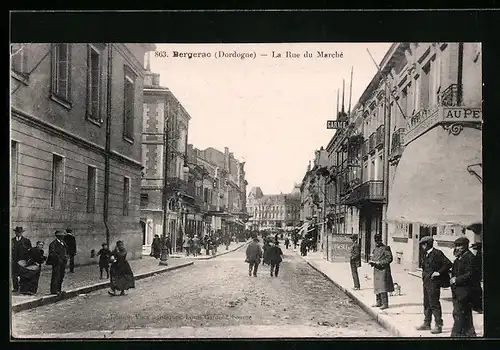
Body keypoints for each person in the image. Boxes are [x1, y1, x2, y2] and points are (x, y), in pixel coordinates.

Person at [416, 236, 452, 334]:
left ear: (426, 244)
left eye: (423, 244)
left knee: (434, 304)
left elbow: (448, 263)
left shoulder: (437, 253)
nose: (422, 246)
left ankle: (438, 325)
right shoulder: (426, 254)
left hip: (434, 282)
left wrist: (439, 272)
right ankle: (427, 323)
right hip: (426, 282)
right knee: (427, 303)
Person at [450, 236, 480, 337]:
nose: (457, 248)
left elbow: (471, 274)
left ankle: (455, 336)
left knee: (458, 314)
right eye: (456, 246)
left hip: (466, 291)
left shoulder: (470, 258)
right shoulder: (460, 258)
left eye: (459, 246)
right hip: (459, 291)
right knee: (465, 315)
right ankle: (470, 334)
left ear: (465, 246)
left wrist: (456, 280)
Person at [368, 233, 394, 310]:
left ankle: (385, 303)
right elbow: (374, 257)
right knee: (377, 286)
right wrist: (372, 262)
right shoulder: (375, 249)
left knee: (383, 286)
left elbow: (389, 259)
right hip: (376, 269)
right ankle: (378, 302)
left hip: (383, 270)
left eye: (378, 241)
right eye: (376, 241)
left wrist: (380, 263)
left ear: (381, 240)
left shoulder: (386, 248)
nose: (377, 242)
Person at [47, 231, 68, 295]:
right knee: (56, 276)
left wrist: (66, 257)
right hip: (56, 263)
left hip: (63, 262)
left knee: (61, 276)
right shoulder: (53, 244)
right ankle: (54, 290)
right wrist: (58, 259)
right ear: (58, 236)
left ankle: (59, 289)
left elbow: (66, 250)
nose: (63, 237)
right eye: (62, 236)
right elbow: (52, 253)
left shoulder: (63, 243)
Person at [11, 226, 32, 293]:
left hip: (23, 261)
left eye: (20, 232)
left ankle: (23, 288)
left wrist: (28, 260)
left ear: (22, 233)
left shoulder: (26, 241)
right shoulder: (12, 240)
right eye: (17, 232)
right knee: (14, 275)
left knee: (23, 274)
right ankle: (15, 288)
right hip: (14, 261)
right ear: (15, 233)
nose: (18, 233)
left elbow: (30, 251)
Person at [470, 242, 483, 314]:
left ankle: (478, 307)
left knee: (476, 292)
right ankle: (477, 307)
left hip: (476, 276)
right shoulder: (478, 254)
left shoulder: (479, 255)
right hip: (476, 276)